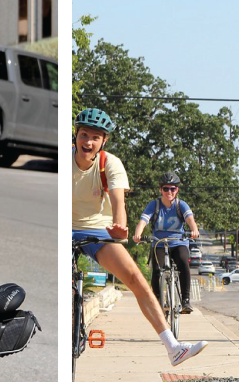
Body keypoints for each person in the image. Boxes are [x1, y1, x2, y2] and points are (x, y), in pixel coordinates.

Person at [71, 107, 206, 366]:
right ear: (75, 135)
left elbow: (119, 203)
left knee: (135, 278)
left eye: (95, 137)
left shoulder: (109, 164)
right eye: (84, 134)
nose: (87, 142)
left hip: (99, 230)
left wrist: (120, 229)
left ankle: (173, 346)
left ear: (103, 141)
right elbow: (145, 219)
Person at [133, 171, 200, 314]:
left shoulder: (181, 205)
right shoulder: (154, 205)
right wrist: (138, 234)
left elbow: (190, 220)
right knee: (157, 270)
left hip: (178, 242)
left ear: (177, 190)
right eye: (165, 188)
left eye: (172, 188)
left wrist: (194, 230)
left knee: (183, 262)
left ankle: (185, 300)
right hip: (159, 243)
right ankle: (157, 301)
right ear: (160, 189)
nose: (169, 192)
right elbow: (143, 221)